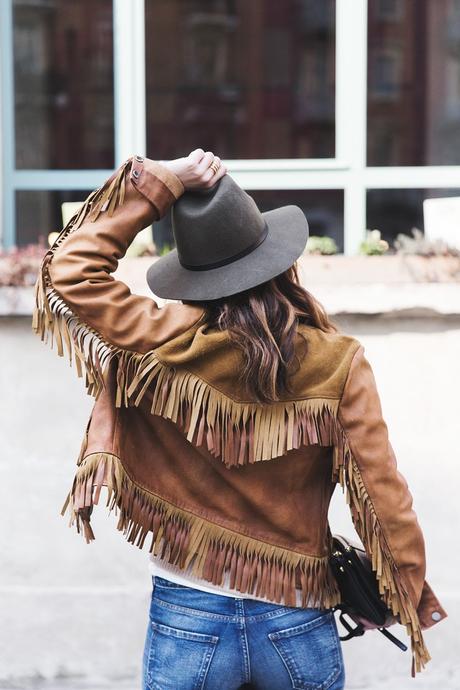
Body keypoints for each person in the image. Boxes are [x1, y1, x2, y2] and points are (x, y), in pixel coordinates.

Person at [33, 149, 447, 690]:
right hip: (296, 612)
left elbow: (70, 268)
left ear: (194, 277)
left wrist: (162, 183)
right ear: (278, 262)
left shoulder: (155, 343)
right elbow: (383, 493)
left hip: (188, 613)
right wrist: (398, 594)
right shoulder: (335, 361)